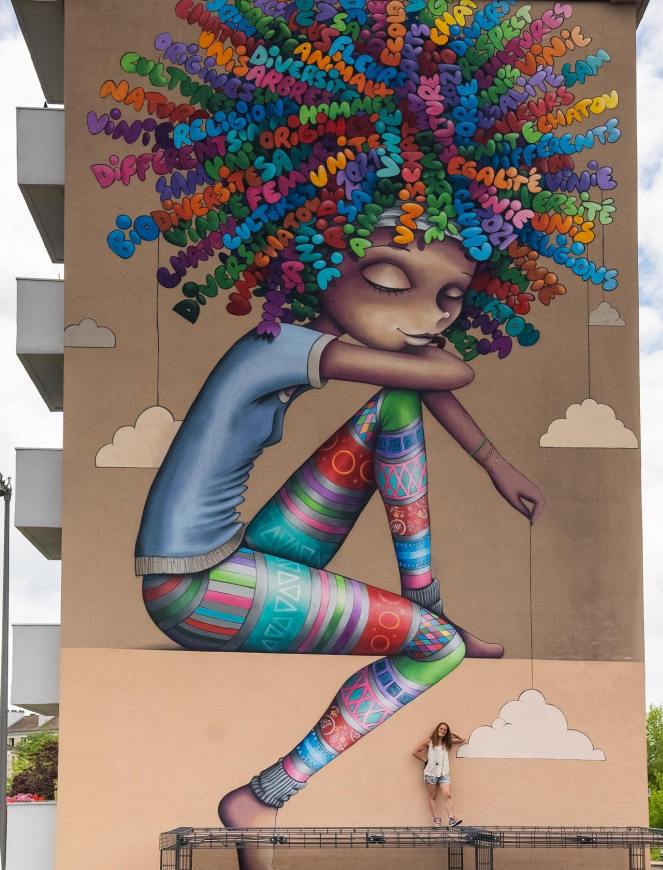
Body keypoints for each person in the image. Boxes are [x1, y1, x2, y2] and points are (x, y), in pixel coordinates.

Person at [90, 0, 618, 865]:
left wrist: (493, 462)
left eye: (448, 298)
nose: (423, 317)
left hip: (245, 552)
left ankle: (428, 606)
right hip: (196, 587)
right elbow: (442, 369)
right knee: (437, 652)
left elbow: (407, 388)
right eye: (386, 277)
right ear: (309, 247)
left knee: (389, 411)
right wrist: (456, 379)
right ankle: (262, 798)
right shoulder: (280, 344)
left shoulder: (311, 339)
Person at [413, 722, 466, 827]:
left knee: (447, 794)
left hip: (444, 772)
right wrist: (425, 759)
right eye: (441, 729)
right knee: (433, 796)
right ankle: (436, 819)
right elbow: (415, 752)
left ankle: (451, 818)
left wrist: (451, 732)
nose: (442, 731)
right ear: (437, 729)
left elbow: (462, 739)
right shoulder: (430, 741)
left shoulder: (447, 742)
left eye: (445, 730)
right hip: (430, 773)